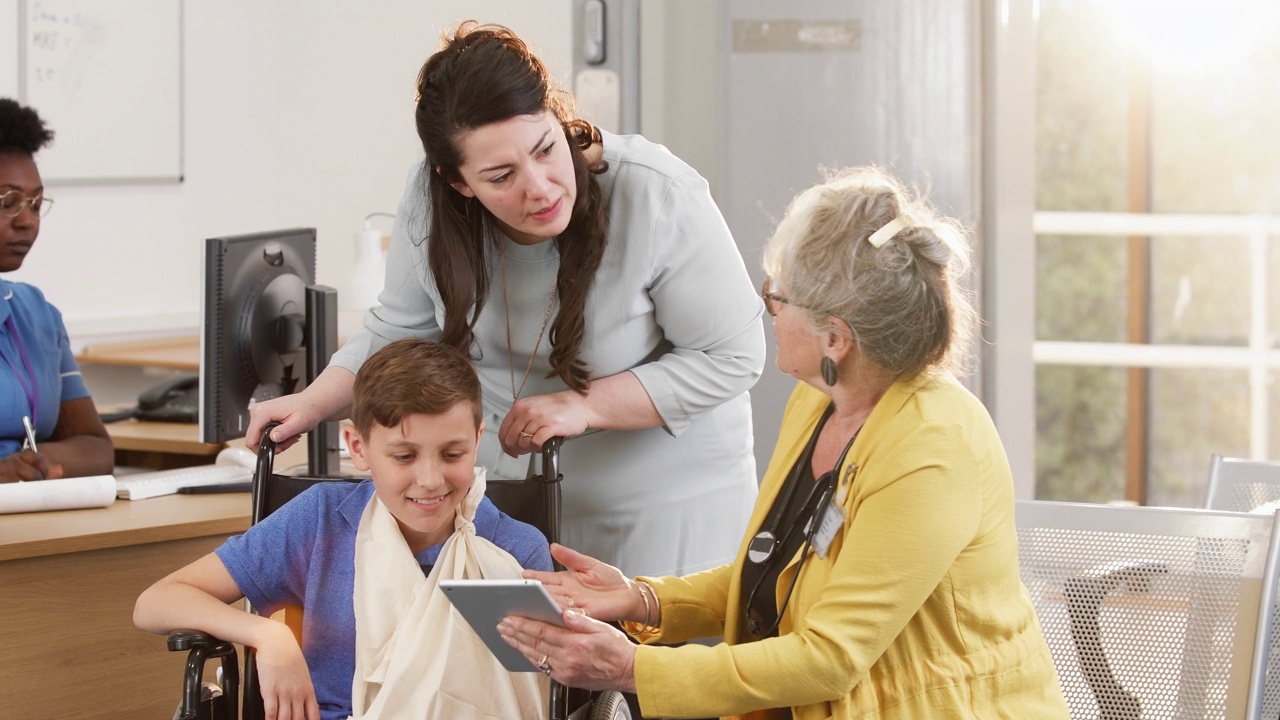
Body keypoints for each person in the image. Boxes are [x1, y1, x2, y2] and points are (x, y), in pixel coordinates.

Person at [496, 167, 1070, 719]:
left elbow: (829, 658)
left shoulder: (933, 451)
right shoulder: (821, 401)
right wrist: (641, 600)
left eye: (779, 296)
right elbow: (773, 575)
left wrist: (632, 670)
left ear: (835, 338)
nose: (767, 309)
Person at [245, 22, 764, 578]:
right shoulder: (430, 204)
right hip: (506, 509)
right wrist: (313, 402)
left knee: (645, 662)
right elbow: (399, 329)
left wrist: (584, 405)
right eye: (500, 176)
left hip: (662, 513)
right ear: (457, 181)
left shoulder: (657, 192)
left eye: (546, 149)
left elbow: (732, 357)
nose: (539, 187)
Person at [135, 338, 554, 720]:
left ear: (477, 441)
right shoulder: (321, 521)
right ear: (358, 447)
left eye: (452, 453)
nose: (429, 479)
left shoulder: (512, 550)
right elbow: (156, 603)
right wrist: (266, 634)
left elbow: (531, 693)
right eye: (404, 457)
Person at [0, 98, 113, 482]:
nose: (27, 221)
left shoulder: (36, 314)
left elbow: (95, 447)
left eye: (34, 203)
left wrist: (33, 462)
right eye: (9, 202)